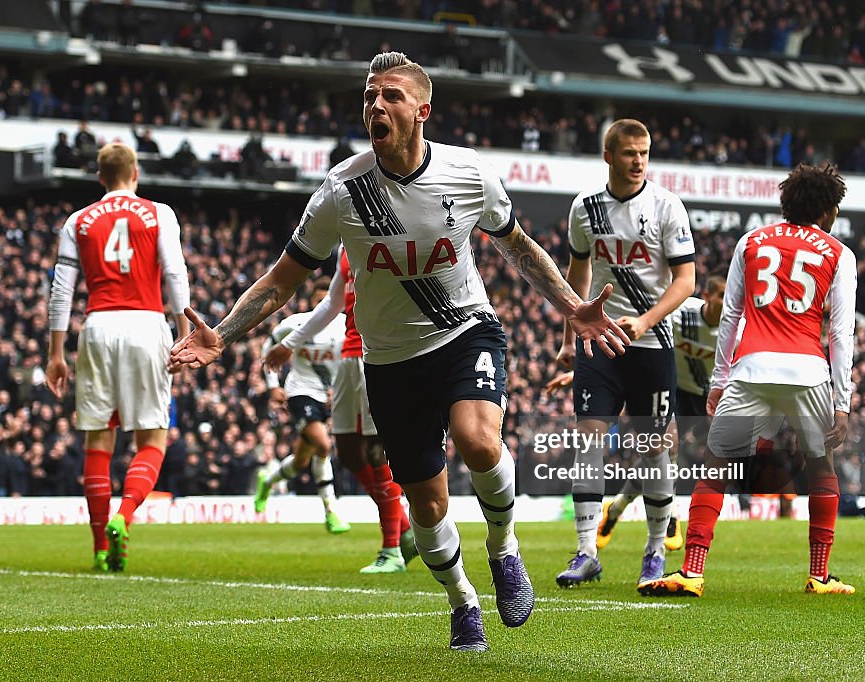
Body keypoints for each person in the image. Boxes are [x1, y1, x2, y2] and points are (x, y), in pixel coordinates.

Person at [169, 51, 629, 652]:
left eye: (389, 95)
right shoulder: (342, 189)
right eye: (368, 96)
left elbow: (518, 248)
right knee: (427, 501)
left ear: (422, 110)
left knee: (480, 440)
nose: (375, 106)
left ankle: (504, 547)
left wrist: (573, 304)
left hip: (466, 331)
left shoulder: (468, 174)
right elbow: (285, 280)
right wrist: (222, 335)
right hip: (388, 361)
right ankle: (463, 601)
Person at [639, 162, 857, 597]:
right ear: (829, 211)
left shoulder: (751, 242)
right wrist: (842, 402)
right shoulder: (838, 253)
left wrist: (718, 382)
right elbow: (839, 332)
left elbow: (731, 317)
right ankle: (820, 575)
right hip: (807, 371)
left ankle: (692, 571)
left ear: (786, 203)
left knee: (716, 464)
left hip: (751, 368)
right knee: (821, 467)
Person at [554, 118, 695, 592]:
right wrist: (571, 328)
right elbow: (578, 274)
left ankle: (655, 551)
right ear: (609, 156)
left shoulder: (666, 207)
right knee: (589, 436)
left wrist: (647, 320)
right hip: (600, 343)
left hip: (652, 344)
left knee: (650, 448)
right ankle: (585, 552)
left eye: (644, 153)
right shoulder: (585, 209)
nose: (638, 161)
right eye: (630, 153)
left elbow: (686, 281)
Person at [46, 143, 190, 573]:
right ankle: (123, 517)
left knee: (98, 439)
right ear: (136, 173)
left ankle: (98, 548)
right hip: (147, 324)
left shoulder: (78, 220)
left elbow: (61, 290)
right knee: (151, 438)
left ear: (99, 178)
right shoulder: (159, 212)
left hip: (97, 326)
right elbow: (175, 271)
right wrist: (184, 333)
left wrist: (55, 352)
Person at [264, 245, 418, 574]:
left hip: (377, 354)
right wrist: (289, 345)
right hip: (349, 361)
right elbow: (332, 304)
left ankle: (391, 549)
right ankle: (404, 530)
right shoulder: (346, 247)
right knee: (348, 452)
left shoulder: (393, 235)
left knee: (378, 453)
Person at [595, 275, 729, 552]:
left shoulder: (734, 329)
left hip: (704, 397)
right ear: (708, 295)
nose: (726, 303)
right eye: (721, 295)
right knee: (669, 447)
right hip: (671, 387)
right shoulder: (681, 313)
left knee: (651, 461)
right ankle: (671, 514)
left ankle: (615, 508)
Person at [255, 277, 352, 534]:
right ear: (311, 302)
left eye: (328, 300)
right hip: (300, 392)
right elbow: (269, 346)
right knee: (323, 445)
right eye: (318, 301)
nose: (323, 305)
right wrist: (273, 385)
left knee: (300, 462)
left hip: (330, 396)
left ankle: (269, 479)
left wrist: (343, 388)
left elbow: (355, 359)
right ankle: (331, 511)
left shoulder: (346, 327)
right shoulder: (297, 324)